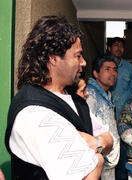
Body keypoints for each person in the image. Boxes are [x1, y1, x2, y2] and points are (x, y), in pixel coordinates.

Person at [4, 16, 109, 180]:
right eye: (78, 56)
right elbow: (90, 173)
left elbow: (109, 140)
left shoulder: (75, 99)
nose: (83, 62)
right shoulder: (33, 112)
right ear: (53, 59)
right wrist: (99, 159)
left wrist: (97, 143)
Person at [86, 54, 120, 180]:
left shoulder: (108, 94)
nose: (113, 73)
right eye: (107, 69)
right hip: (98, 161)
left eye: (115, 69)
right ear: (96, 73)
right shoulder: (90, 94)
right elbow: (87, 127)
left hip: (109, 161)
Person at [107, 37, 132, 180]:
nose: (119, 48)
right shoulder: (104, 65)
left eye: (121, 46)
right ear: (109, 48)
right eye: (115, 45)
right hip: (107, 116)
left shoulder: (129, 67)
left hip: (123, 116)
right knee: (109, 152)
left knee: (124, 151)